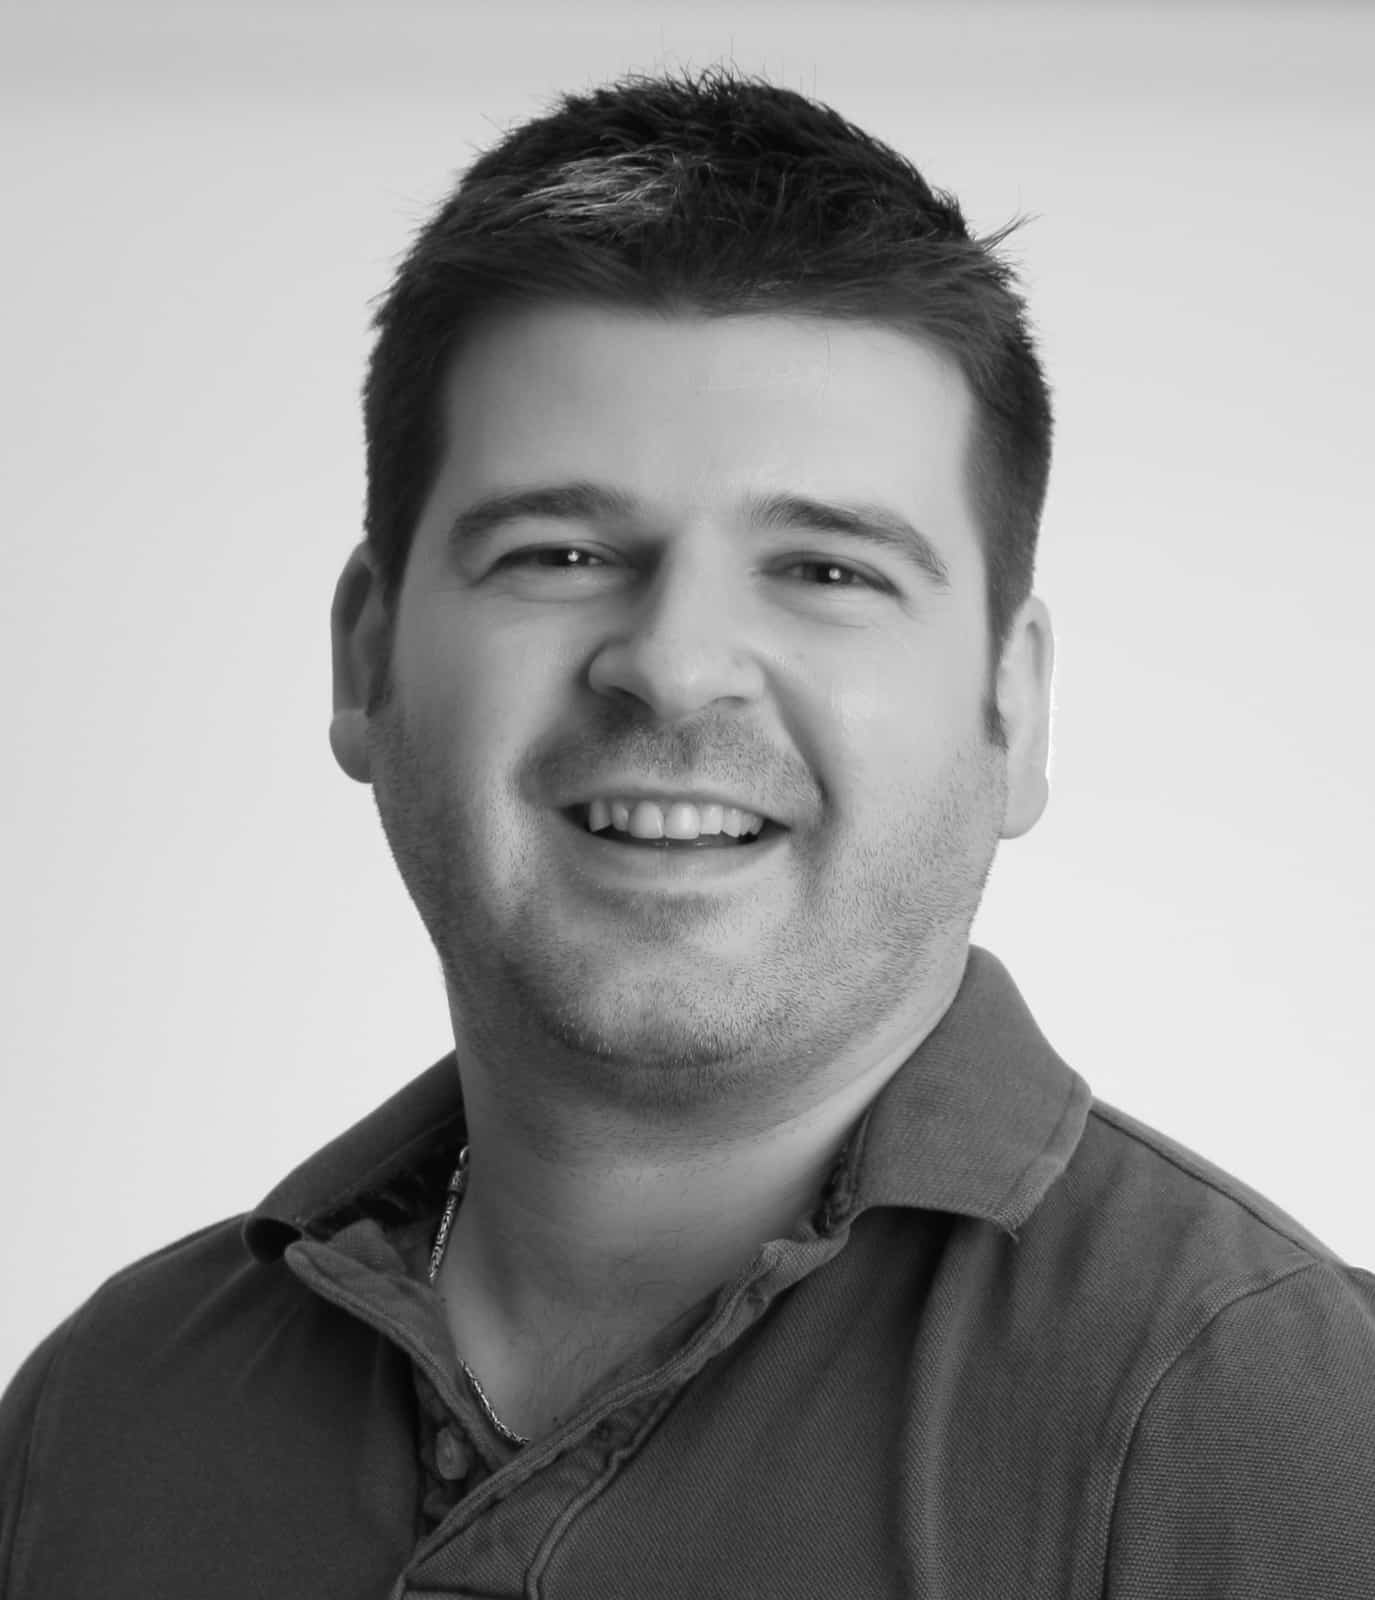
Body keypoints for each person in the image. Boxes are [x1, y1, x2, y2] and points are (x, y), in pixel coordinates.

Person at [2, 62, 1372, 1599]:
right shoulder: (102, 1412)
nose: (673, 660)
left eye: (828, 570)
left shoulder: (1280, 1434)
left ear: (1015, 709)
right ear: (366, 660)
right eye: (563, 549)